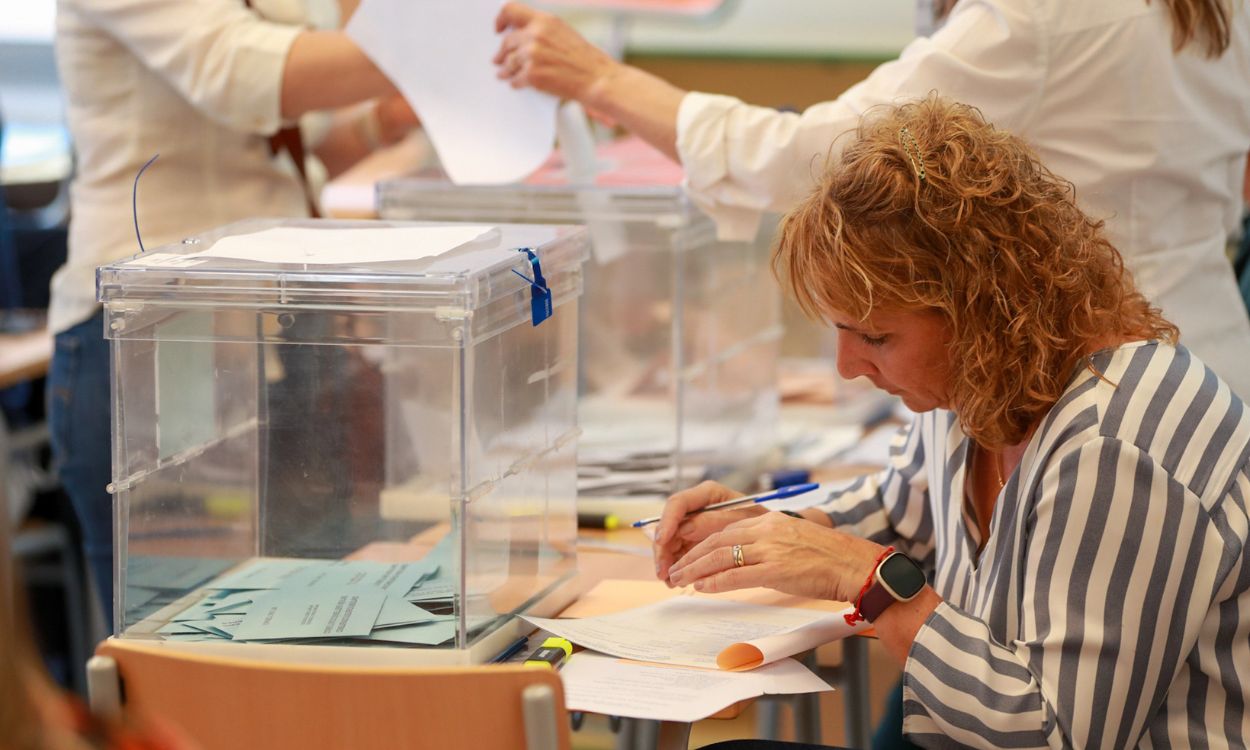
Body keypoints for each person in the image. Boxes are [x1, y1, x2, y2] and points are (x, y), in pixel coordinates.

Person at [651, 96, 1250, 748]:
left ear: (982, 310)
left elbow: (1054, 735)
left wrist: (869, 581)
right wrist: (765, 531)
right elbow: (898, 510)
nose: (849, 366)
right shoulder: (980, 385)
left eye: (876, 338)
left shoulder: (1118, 445)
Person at [492, 0, 1250, 402]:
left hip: (1091, 385)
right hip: (1202, 353)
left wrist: (601, 81)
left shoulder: (1037, 15)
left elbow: (823, 164)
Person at [48, 0, 419, 625]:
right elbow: (245, 74)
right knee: (189, 658)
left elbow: (279, 141)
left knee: (333, 632)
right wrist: (443, 46)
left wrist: (382, 119)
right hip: (160, 341)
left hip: (286, 330)